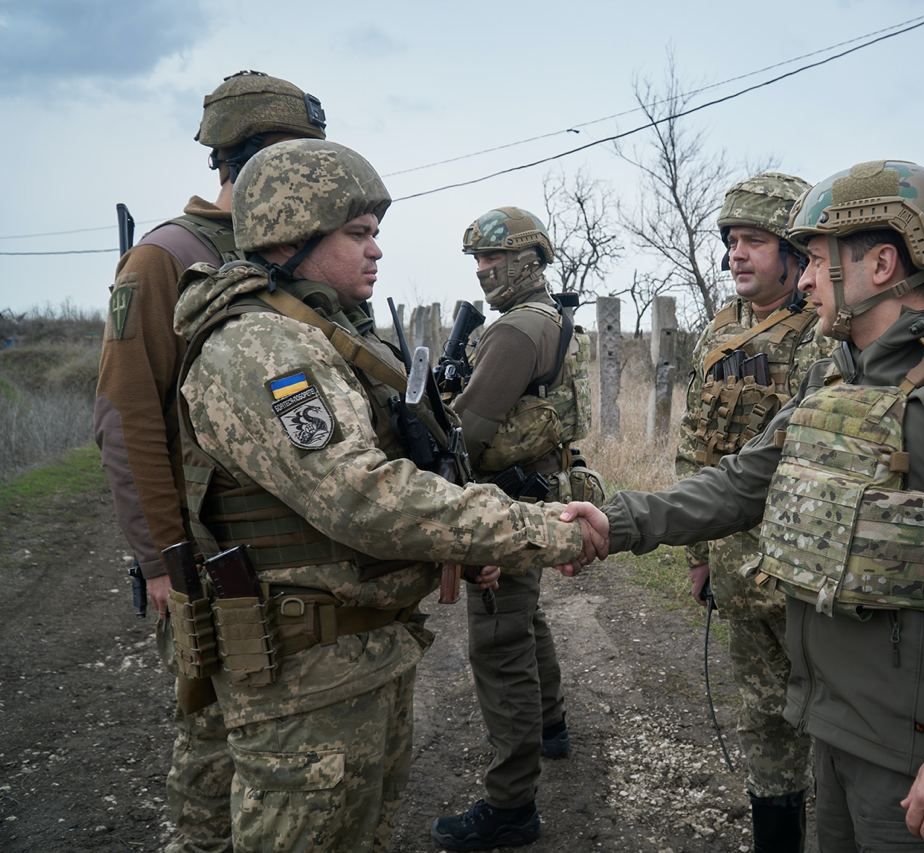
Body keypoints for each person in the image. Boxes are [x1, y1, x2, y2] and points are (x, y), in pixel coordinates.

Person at [559, 160, 924, 850]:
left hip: (915, 749)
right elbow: (745, 480)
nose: (804, 279)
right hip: (835, 722)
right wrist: (621, 520)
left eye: (814, 259)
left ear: (881, 263)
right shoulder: (837, 375)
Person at [172, 139, 598, 851]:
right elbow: (362, 495)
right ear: (293, 233)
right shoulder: (262, 348)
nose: (376, 251)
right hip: (304, 681)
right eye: (358, 234)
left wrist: (463, 546)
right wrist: (540, 529)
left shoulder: (317, 333)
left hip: (353, 657)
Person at [93, 69, 327, 853]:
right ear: (252, 159)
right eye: (299, 159)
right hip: (211, 557)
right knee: (213, 758)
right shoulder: (165, 258)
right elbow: (126, 416)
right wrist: (161, 559)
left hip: (297, 561)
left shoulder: (291, 252)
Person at [431, 207, 601, 851]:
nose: (483, 272)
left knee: (499, 645)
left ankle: (511, 806)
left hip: (503, 502)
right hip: (537, 492)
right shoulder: (553, 319)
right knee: (526, 622)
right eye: (477, 261)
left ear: (527, 259)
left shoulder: (514, 333)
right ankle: (551, 727)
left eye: (493, 260)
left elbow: (466, 436)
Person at [674, 171, 829, 851]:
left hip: (805, 575)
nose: (738, 253)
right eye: (732, 241)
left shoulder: (822, 337)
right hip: (738, 569)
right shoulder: (718, 331)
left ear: (795, 254)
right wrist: (698, 552)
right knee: (764, 720)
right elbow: (693, 445)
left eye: (755, 241)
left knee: (835, 720)